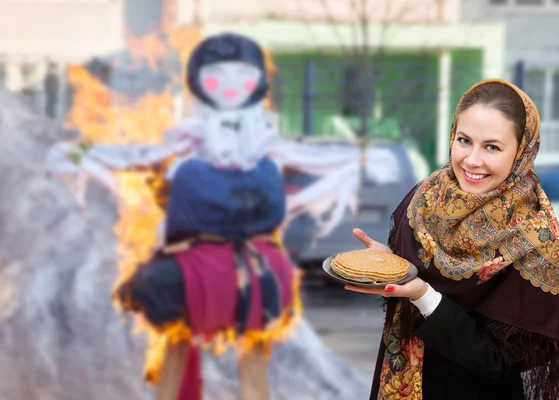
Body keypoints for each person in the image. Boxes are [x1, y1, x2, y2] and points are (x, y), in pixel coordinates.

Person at [46, 32, 403, 400]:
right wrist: (83, 153)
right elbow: (135, 154)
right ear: (199, 81)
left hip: (256, 267)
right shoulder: (186, 140)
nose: (230, 85)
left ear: (257, 81)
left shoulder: (267, 142)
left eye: (241, 74)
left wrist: (365, 158)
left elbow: (323, 158)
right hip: (187, 265)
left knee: (251, 356)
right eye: (217, 74)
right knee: (176, 349)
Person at [346, 79, 559, 400]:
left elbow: (498, 362)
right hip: (400, 381)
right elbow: (413, 271)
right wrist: (391, 263)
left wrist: (423, 295)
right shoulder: (426, 197)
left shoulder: (533, 232)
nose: (472, 160)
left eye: (492, 147)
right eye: (465, 141)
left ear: (521, 151)